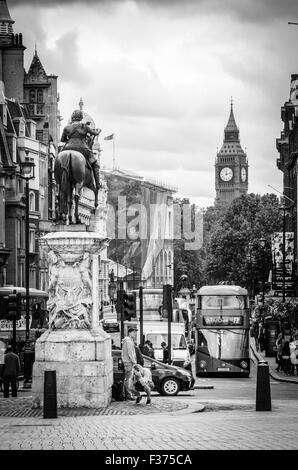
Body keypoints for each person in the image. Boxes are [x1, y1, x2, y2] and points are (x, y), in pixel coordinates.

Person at [60, 109, 101, 189]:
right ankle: (98, 184)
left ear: (72, 118)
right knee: (95, 164)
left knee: (59, 159)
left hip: (68, 148)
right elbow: (95, 133)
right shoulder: (85, 127)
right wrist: (98, 131)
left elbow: (62, 140)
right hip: (83, 149)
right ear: (81, 118)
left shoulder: (66, 128)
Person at [121, 327, 138, 400]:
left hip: (128, 362)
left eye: (135, 332)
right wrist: (134, 362)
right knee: (128, 379)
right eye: (134, 332)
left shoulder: (128, 341)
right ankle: (128, 395)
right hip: (129, 363)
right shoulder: (128, 342)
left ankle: (128, 394)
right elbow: (130, 353)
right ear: (130, 333)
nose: (135, 333)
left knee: (128, 379)